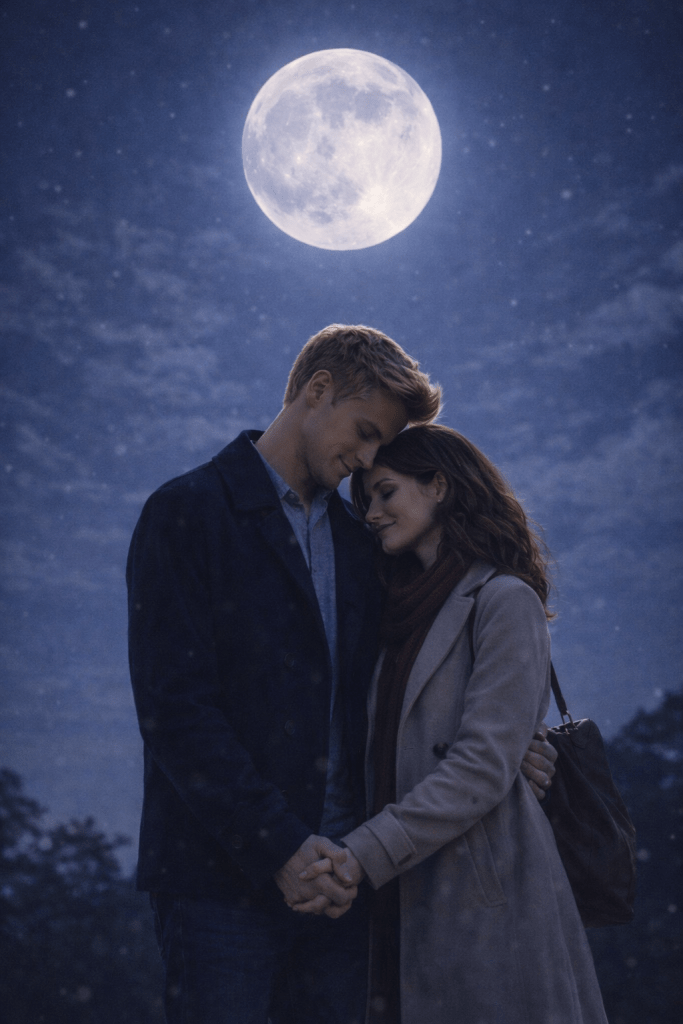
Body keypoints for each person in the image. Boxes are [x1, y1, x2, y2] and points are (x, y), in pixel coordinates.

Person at [126, 326, 557, 1024]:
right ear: (316, 390)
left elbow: (411, 680)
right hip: (218, 887)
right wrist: (281, 848)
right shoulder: (186, 513)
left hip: (346, 888)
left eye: (378, 450)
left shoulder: (366, 543)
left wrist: (514, 749)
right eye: (362, 432)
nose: (363, 459)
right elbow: (175, 711)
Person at [298, 423, 607, 1024]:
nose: (373, 514)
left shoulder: (504, 599)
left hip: (482, 897)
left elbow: (479, 767)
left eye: (386, 492)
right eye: (364, 502)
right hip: (399, 896)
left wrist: (360, 854)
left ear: (439, 486)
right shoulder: (398, 612)